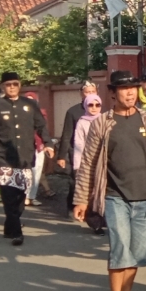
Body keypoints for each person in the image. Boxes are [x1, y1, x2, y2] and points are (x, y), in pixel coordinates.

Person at [73, 72, 146, 291]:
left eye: (133, 89)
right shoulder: (103, 123)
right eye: (124, 89)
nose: (130, 93)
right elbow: (88, 162)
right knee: (120, 247)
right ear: (112, 93)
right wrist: (81, 198)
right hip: (114, 196)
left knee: (140, 252)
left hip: (145, 197)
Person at [0, 72, 54, 246]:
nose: (12, 87)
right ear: (3, 87)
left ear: (20, 85)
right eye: (8, 84)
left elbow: (41, 126)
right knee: (8, 196)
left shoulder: (30, 104)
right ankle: (17, 233)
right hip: (3, 158)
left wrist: (48, 144)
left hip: (24, 158)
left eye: (15, 84)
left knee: (20, 198)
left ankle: (9, 226)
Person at [57, 80, 97, 214]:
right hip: (76, 152)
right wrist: (61, 156)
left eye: (92, 91)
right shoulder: (73, 112)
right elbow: (67, 135)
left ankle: (92, 210)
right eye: (87, 92)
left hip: (95, 153)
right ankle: (72, 205)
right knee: (76, 182)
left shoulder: (100, 111)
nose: (90, 94)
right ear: (81, 94)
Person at [72, 92, 105, 233]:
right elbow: (78, 143)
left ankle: (105, 220)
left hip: (103, 162)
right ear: (85, 105)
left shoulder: (105, 120)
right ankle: (95, 223)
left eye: (97, 105)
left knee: (103, 193)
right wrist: (78, 165)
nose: (94, 108)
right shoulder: (82, 122)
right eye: (90, 104)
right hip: (88, 162)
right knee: (91, 194)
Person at [22, 91, 54, 204]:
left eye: (33, 100)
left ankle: (32, 197)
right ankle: (24, 196)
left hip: (39, 146)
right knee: (26, 172)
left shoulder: (41, 114)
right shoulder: (19, 114)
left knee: (37, 171)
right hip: (25, 146)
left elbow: (43, 130)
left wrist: (47, 144)